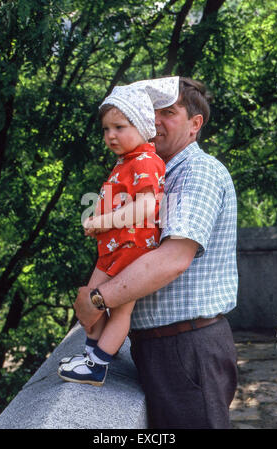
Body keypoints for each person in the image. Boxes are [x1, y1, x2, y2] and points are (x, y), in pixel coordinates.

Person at [73, 76, 238, 429]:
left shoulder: (197, 171)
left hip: (188, 346)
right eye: (152, 112)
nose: (156, 120)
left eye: (169, 112)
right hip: (161, 345)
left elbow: (172, 259)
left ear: (195, 124)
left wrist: (99, 298)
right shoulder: (155, 171)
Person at [58, 79, 180, 386]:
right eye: (106, 129)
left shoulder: (146, 161)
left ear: (141, 126)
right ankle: (90, 356)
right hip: (113, 249)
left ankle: (96, 366)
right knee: (88, 304)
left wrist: (100, 222)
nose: (111, 135)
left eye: (120, 127)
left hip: (132, 251)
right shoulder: (125, 162)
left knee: (119, 311)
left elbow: (146, 207)